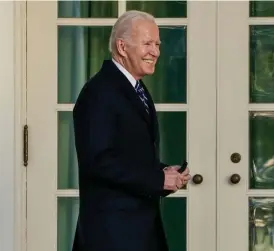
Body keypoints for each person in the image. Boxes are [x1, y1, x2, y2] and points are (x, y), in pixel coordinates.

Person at [71, 10, 191, 251]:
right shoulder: (99, 92)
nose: (155, 52)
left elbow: (128, 155)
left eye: (157, 44)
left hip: (137, 231)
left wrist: (165, 173)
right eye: (147, 43)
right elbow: (99, 160)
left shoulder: (136, 89)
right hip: (112, 236)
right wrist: (157, 178)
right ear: (122, 47)